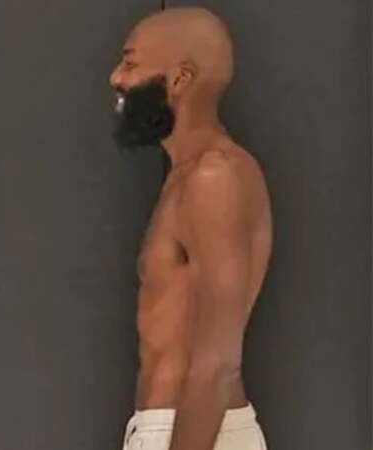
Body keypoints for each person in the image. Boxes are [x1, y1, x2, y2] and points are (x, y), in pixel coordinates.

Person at [109, 7, 271, 450]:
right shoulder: (189, 176)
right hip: (167, 429)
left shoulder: (214, 178)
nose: (116, 78)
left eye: (130, 62)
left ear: (178, 80)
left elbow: (219, 362)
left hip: (197, 434)